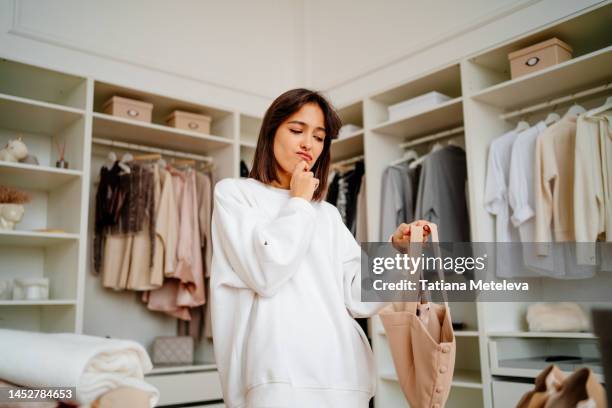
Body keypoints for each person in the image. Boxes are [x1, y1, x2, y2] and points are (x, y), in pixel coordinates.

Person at [210, 88, 431, 408]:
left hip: (343, 379)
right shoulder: (234, 195)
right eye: (297, 130)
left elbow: (358, 297)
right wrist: (298, 200)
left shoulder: (325, 213)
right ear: (270, 133)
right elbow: (266, 272)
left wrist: (396, 250)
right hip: (275, 380)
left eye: (319, 136)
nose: (307, 144)